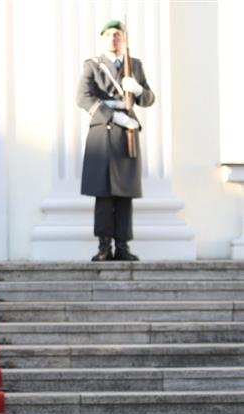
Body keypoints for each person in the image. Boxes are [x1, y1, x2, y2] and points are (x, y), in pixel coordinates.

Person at [78, 19, 155, 262]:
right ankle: (104, 247)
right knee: (103, 192)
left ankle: (122, 246)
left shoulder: (135, 66)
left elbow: (149, 98)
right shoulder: (93, 66)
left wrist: (139, 91)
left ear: (124, 39)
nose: (115, 38)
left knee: (125, 191)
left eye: (118, 35)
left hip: (127, 134)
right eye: (110, 34)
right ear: (103, 38)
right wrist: (113, 116)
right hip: (104, 132)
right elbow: (83, 98)